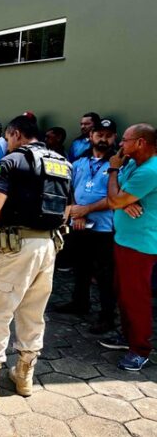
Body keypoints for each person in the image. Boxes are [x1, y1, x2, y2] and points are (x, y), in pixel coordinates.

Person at [0, 115, 71, 408]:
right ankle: (24, 376)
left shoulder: (11, 162)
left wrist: (0, 221)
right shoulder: (62, 163)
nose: (6, 143)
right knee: (33, 313)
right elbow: (67, 209)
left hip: (15, 246)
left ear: (16, 134)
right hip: (49, 246)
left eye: (7, 138)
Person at [102, 123, 157, 371]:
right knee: (122, 291)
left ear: (141, 142)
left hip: (141, 243)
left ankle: (140, 349)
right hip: (124, 239)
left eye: (125, 140)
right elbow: (119, 195)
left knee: (136, 297)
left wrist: (113, 169)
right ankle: (127, 336)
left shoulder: (150, 170)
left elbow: (114, 196)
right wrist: (124, 203)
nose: (120, 145)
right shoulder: (134, 163)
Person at [56, 119, 117, 334]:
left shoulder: (118, 163)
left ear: (114, 138)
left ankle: (107, 316)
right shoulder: (80, 162)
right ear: (91, 137)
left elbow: (116, 197)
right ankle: (79, 303)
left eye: (108, 135)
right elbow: (70, 188)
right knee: (81, 266)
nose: (104, 139)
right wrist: (75, 209)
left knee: (104, 274)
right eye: (99, 134)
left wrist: (87, 209)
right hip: (79, 224)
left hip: (104, 228)